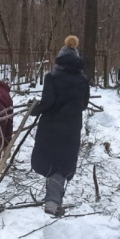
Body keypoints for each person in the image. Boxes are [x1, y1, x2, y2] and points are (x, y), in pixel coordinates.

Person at [30, 35, 90, 215]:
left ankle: (52, 201)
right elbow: (84, 104)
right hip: (71, 129)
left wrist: (35, 109)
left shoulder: (52, 77)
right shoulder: (83, 80)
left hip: (51, 126)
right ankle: (54, 200)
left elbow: (48, 102)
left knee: (50, 162)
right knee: (62, 164)